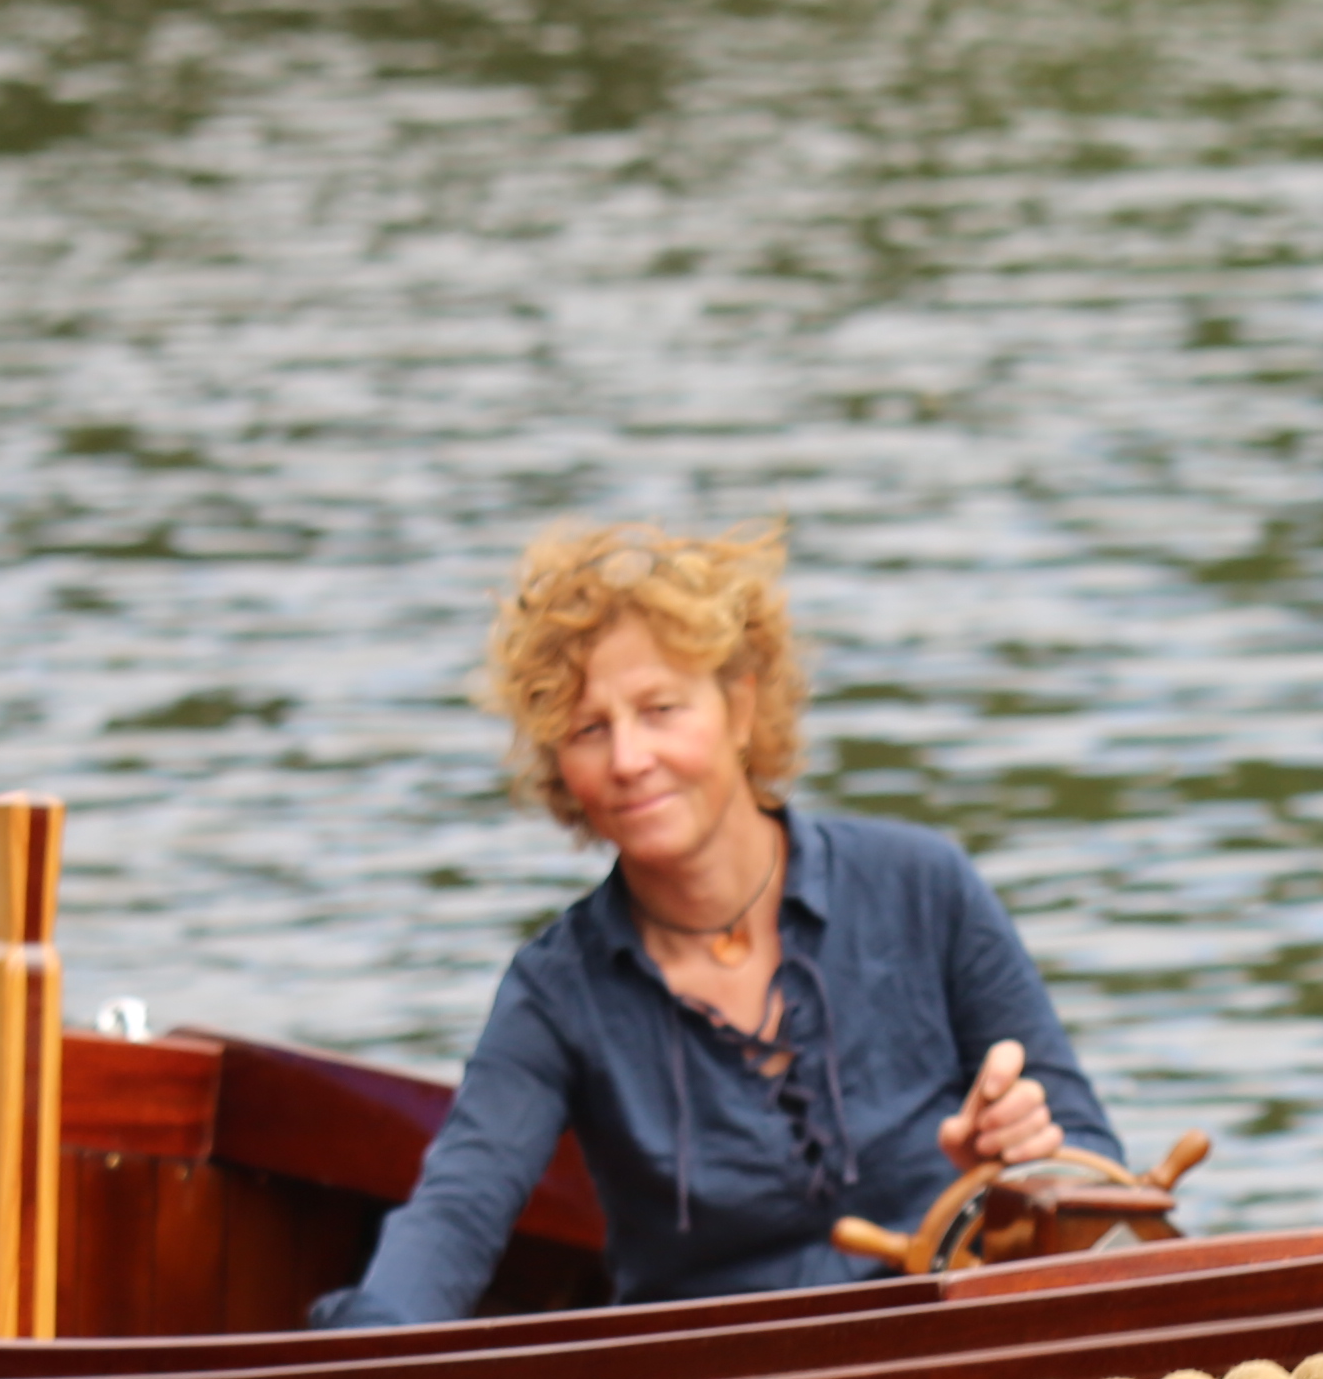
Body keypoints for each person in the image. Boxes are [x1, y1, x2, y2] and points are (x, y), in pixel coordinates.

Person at [313, 519, 1120, 1330]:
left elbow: (1099, 1176)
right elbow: (457, 1211)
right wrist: (346, 1373)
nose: (629, 758)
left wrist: (1021, 1169)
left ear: (740, 707)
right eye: (590, 729)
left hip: (959, 1378)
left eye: (660, 708)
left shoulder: (924, 884)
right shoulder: (555, 991)